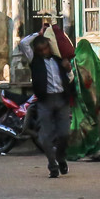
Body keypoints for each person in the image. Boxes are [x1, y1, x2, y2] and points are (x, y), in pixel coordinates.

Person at [25, 29, 75, 178]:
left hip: (61, 100)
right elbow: (23, 43)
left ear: (50, 46)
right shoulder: (34, 61)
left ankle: (60, 157)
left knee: (64, 134)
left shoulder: (60, 61)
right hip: (44, 101)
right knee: (45, 137)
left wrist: (69, 71)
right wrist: (37, 34)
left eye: (45, 48)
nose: (43, 52)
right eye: (40, 50)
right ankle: (52, 165)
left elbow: (70, 80)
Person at [68, 38, 100, 162]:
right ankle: (95, 150)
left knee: (79, 124)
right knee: (92, 124)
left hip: (79, 102)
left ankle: (80, 151)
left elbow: (69, 78)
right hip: (93, 102)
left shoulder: (74, 61)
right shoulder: (94, 60)